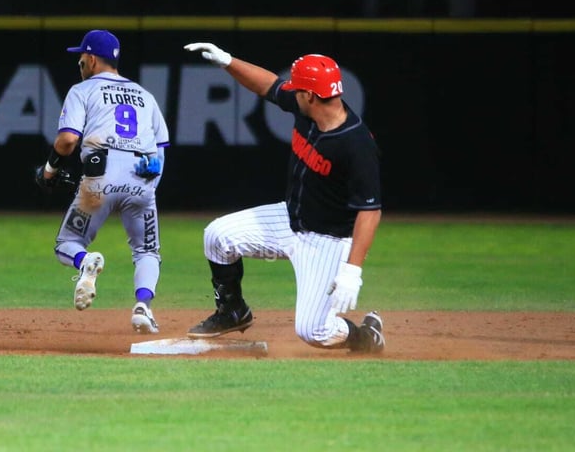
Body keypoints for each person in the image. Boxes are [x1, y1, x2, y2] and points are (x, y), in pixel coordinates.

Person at [182, 42, 385, 353]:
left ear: (311, 95)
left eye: (298, 88)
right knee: (217, 236)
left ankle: (365, 336)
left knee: (314, 330)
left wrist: (352, 271)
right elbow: (269, 86)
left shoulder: (355, 144)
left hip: (327, 240)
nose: (292, 91)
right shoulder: (309, 106)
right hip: (290, 218)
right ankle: (232, 311)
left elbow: (370, 212)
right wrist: (227, 61)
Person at [36, 29, 170, 334]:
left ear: (93, 59)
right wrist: (148, 188)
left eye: (82, 56)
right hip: (144, 174)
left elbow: (68, 140)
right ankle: (142, 308)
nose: (80, 61)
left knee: (66, 244)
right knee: (146, 252)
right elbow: (161, 147)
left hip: (100, 174)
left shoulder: (82, 90)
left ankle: (86, 262)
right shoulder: (145, 96)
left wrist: (49, 170)